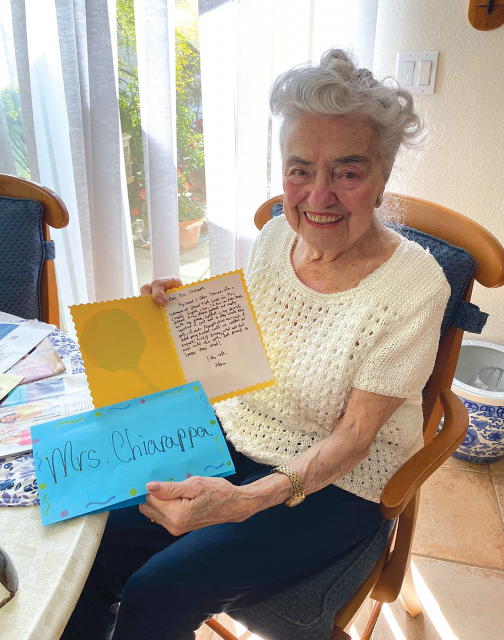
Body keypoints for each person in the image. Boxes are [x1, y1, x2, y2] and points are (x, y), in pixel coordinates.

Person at [62, 49, 450, 640]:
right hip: (238, 431)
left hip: (337, 485)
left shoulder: (415, 286)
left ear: (382, 175)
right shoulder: (275, 235)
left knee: (153, 594)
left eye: (348, 172)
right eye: (300, 169)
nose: (318, 197)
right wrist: (175, 316)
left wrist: (243, 502)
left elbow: (354, 439)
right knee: (87, 543)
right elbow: (252, 341)